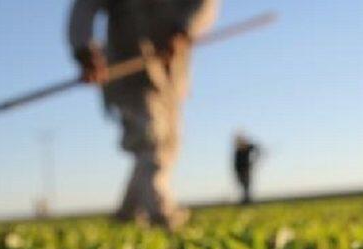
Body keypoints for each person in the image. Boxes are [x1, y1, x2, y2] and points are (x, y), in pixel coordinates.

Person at [68, 0, 219, 229]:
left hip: (170, 74)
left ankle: (126, 214)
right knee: (151, 142)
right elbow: (84, 8)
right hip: (129, 71)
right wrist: (84, 49)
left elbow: (204, 4)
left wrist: (185, 29)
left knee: (167, 146)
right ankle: (161, 213)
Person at [233, 131, 261, 204]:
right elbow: (236, 163)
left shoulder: (247, 147)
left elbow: (257, 149)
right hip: (239, 170)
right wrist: (236, 171)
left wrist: (254, 160)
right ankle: (245, 199)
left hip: (246, 169)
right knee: (243, 185)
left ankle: (247, 200)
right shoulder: (237, 151)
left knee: (247, 185)